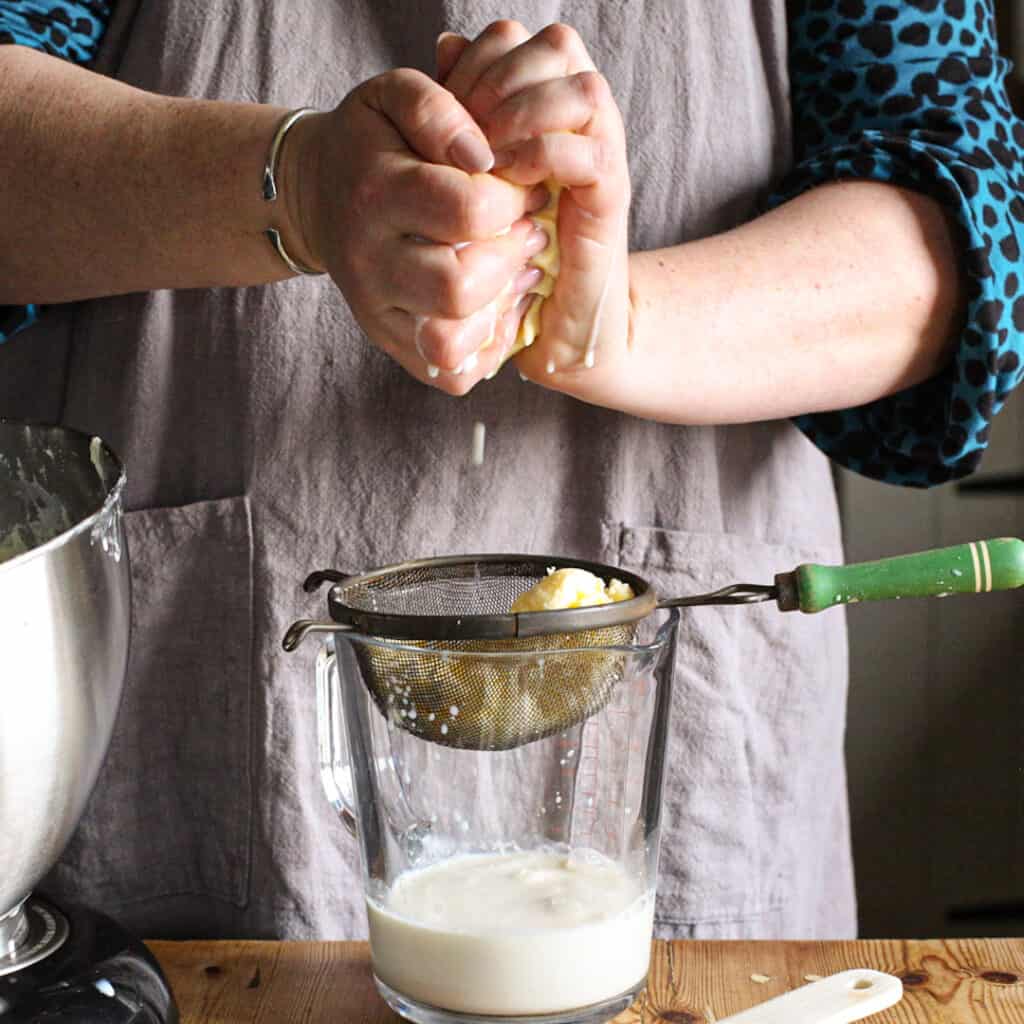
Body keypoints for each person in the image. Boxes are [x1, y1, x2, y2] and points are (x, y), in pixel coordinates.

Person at [0, 1, 1020, 941]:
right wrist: (297, 187)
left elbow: (957, 219)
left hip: (707, 795)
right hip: (193, 749)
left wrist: (616, 319)